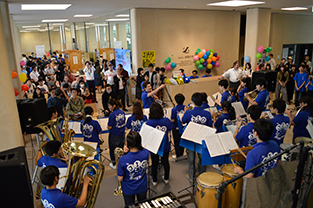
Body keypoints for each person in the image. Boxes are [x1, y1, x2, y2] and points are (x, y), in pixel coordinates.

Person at [182, 92, 212, 181]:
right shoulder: (207, 113)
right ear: (202, 102)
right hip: (202, 139)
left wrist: (185, 112)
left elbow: (183, 121)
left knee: (191, 158)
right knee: (202, 158)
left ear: (193, 102)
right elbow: (209, 126)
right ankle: (202, 175)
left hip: (190, 138)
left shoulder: (188, 113)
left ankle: (191, 176)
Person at [117, 131, 149, 206]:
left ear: (128, 144)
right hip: (142, 186)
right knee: (143, 205)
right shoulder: (146, 153)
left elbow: (120, 178)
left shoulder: (123, 159)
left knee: (130, 206)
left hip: (129, 189)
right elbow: (142, 149)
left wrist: (125, 153)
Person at [146, 102, 173, 186]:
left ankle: (154, 180)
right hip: (164, 145)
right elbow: (170, 128)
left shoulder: (149, 122)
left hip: (154, 146)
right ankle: (166, 178)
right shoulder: (166, 120)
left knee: (154, 163)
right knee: (165, 162)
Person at [107, 99, 126, 169]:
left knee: (113, 150)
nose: (109, 107)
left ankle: (114, 163)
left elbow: (110, 126)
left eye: (109, 106)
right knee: (120, 149)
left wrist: (107, 127)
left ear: (114, 106)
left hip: (114, 135)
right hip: (122, 134)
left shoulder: (112, 115)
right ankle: (121, 162)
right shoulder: (122, 112)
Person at [171, 93, 185, 158]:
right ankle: (182, 154)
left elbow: (172, 120)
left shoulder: (174, 109)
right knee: (182, 141)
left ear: (175, 101)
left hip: (176, 128)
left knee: (177, 142)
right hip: (183, 128)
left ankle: (178, 155)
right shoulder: (186, 108)